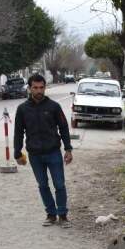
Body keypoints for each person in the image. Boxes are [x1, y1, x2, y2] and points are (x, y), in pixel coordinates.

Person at [13, 73, 73, 227]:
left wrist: (68, 149)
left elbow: (64, 127)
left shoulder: (54, 107)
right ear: (29, 88)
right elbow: (18, 132)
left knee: (59, 184)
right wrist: (17, 152)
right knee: (43, 185)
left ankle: (63, 215)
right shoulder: (22, 109)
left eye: (41, 88)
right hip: (35, 155)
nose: (39, 91)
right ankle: (51, 214)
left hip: (53, 152)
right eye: (35, 88)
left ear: (45, 88)